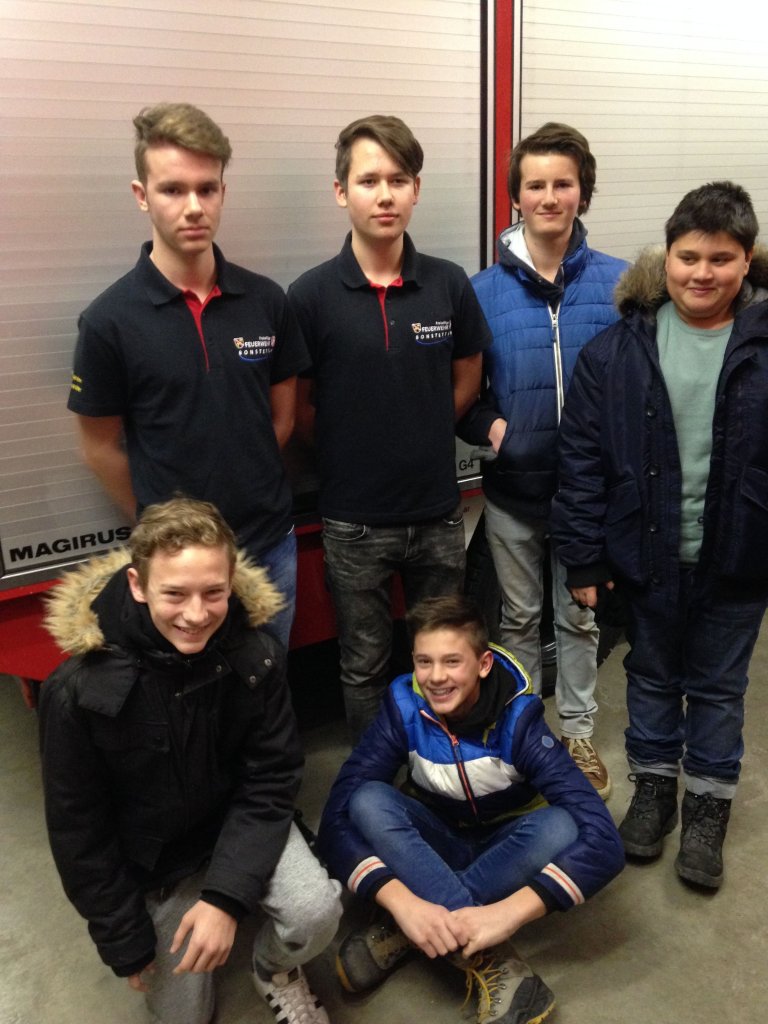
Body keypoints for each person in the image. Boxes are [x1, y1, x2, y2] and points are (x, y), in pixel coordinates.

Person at [38, 497, 342, 1024]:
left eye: (213, 592)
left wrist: (224, 898)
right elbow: (78, 829)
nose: (196, 615)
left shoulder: (258, 657)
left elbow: (270, 780)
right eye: (174, 593)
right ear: (138, 585)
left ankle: (273, 968)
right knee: (183, 1015)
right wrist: (123, 936)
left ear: (231, 582)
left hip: (236, 823)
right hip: (156, 858)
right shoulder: (76, 690)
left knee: (316, 913)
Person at [551, 181, 768, 889]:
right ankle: (653, 789)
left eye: (721, 259)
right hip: (643, 557)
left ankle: (707, 806)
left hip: (739, 560)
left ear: (747, 261)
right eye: (688, 257)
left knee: (718, 689)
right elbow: (581, 461)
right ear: (666, 256)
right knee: (649, 678)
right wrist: (584, 558)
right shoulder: (618, 351)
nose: (702, 273)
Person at [317, 595, 624, 1024]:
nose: (435, 677)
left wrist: (505, 915)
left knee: (562, 826)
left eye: (452, 662)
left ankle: (421, 930)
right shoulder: (403, 706)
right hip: (435, 844)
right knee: (367, 800)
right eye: (424, 662)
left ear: (483, 664)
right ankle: (490, 957)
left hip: (505, 849)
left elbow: (606, 841)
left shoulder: (519, 721)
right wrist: (404, 904)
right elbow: (334, 820)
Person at [67, 103, 308, 646]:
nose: (194, 207)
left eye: (207, 188)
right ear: (141, 195)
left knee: (268, 678)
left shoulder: (267, 301)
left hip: (268, 545)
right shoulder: (109, 321)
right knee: (185, 693)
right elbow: (99, 448)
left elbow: (282, 420)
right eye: (173, 190)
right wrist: (163, 529)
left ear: (223, 191)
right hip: (175, 570)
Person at [288, 114, 492, 737]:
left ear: (416, 190)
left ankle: (445, 763)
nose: (385, 195)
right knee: (364, 664)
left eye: (398, 180)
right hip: (353, 522)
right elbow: (300, 407)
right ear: (340, 191)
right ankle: (375, 775)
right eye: (368, 180)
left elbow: (468, 372)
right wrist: (351, 446)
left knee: (443, 658)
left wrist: (424, 429)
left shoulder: (448, 284)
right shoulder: (310, 296)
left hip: (437, 514)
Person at [458, 123, 627, 799]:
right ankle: (524, 728)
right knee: (520, 619)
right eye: (536, 185)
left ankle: (578, 734)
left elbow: (635, 388)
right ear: (516, 196)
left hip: (589, 496)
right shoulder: (480, 291)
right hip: (513, 494)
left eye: (563, 183)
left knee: (581, 618)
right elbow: (461, 395)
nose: (550, 197)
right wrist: (494, 429)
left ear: (583, 191)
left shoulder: (621, 285)